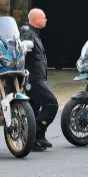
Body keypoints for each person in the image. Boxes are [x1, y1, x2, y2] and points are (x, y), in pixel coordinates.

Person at [20, 9, 58, 152]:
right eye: (43, 18)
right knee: (51, 104)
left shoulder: (35, 34)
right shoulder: (28, 34)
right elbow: (23, 48)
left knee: (35, 109)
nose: (46, 20)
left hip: (36, 77)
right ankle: (38, 133)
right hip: (33, 80)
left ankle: (35, 140)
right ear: (35, 20)